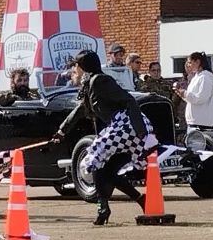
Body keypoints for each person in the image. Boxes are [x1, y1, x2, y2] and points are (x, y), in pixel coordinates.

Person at [51, 50, 157, 226]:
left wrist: (140, 131)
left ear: (83, 67)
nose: (73, 71)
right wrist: (62, 132)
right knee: (106, 170)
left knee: (93, 158)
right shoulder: (90, 84)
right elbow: (80, 110)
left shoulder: (100, 80)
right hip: (123, 126)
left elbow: (129, 100)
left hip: (127, 124)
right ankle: (139, 200)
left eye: (76, 66)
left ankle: (103, 208)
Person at [175, 51, 213, 128]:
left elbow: (200, 98)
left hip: (201, 122)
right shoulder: (197, 77)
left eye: (190, 62)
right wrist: (181, 94)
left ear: (198, 62)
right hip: (194, 120)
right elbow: (192, 98)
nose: (188, 65)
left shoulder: (205, 78)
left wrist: (185, 93)